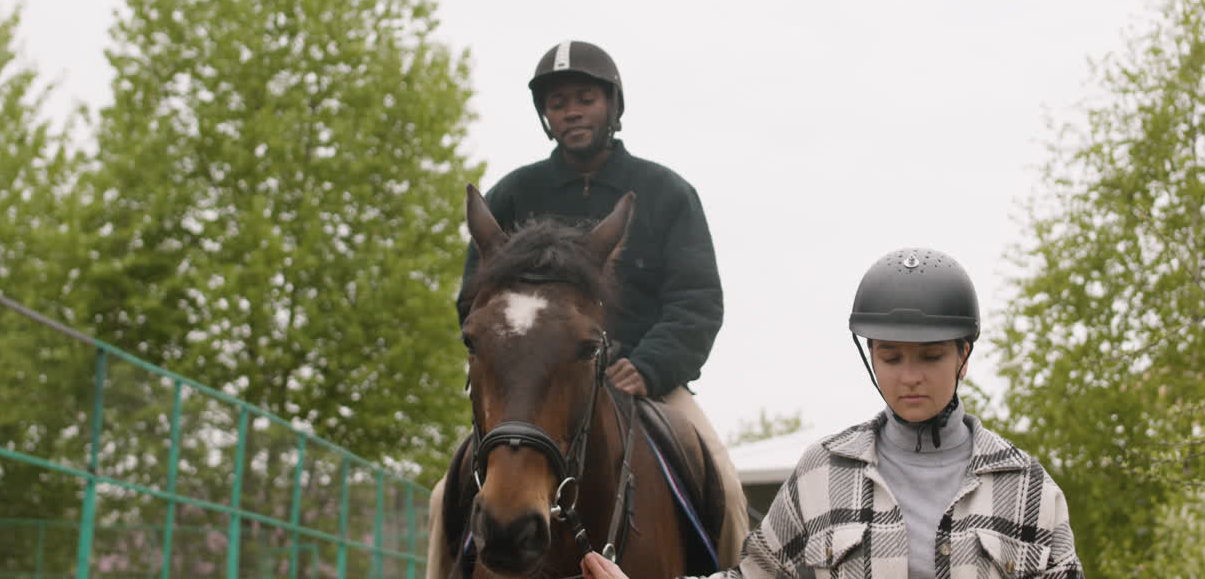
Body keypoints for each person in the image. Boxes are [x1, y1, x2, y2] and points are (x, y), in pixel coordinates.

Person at [425, 40, 749, 579]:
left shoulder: (667, 192)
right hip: (533, 390)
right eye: (557, 104)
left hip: (644, 380)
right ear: (545, 117)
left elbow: (697, 300)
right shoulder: (513, 193)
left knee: (730, 488)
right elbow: (473, 303)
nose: (571, 111)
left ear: (611, 106)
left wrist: (649, 365)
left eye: (584, 99)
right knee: (443, 499)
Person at [581, 248, 1084, 579]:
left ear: (964, 358)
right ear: (871, 356)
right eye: (890, 356)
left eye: (930, 357)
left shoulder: (1027, 488)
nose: (910, 376)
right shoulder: (821, 472)